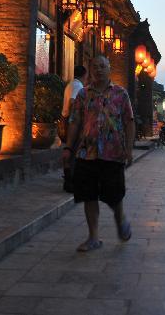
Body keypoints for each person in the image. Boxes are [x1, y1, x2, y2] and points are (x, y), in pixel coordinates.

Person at [64, 55, 135, 252]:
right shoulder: (83, 94)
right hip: (87, 152)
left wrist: (129, 149)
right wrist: (68, 147)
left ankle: (120, 218)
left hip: (113, 153)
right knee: (89, 195)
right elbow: (75, 122)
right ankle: (93, 237)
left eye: (102, 66)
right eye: (95, 66)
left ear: (109, 68)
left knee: (114, 194)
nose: (99, 69)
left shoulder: (121, 93)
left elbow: (129, 122)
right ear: (90, 70)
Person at [59, 65, 87, 142]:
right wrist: (73, 120)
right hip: (70, 119)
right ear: (84, 75)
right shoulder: (78, 86)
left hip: (65, 117)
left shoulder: (70, 84)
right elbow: (72, 101)